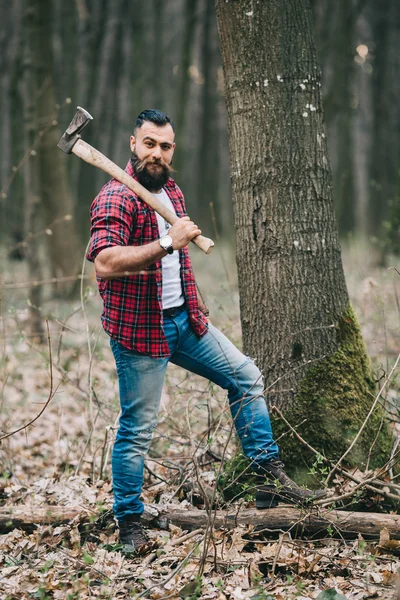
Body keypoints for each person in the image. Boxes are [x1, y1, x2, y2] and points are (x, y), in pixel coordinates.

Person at [86, 109, 324, 552]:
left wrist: (192, 299)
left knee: (246, 375)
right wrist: (164, 243)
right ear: (133, 144)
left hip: (185, 322)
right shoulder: (115, 197)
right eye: (150, 143)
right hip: (141, 332)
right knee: (137, 428)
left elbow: (178, 260)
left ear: (173, 150)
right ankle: (129, 523)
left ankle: (267, 481)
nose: (157, 153)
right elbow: (105, 262)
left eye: (165, 146)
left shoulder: (170, 189)